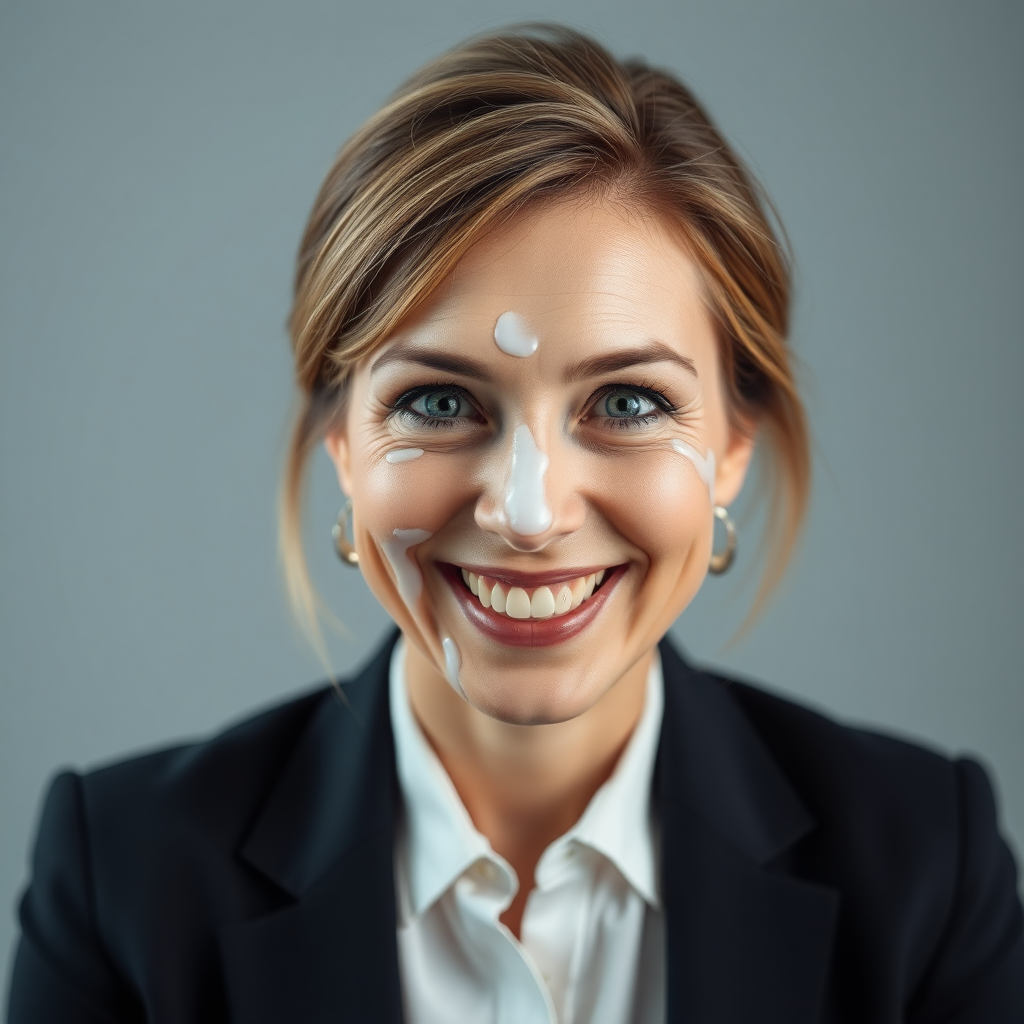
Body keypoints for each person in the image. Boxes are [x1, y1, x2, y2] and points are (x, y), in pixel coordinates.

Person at [8, 24, 1023, 1024]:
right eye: (440, 404)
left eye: (626, 402)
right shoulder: (122, 877)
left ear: (731, 448)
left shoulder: (929, 869)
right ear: (342, 448)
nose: (528, 513)